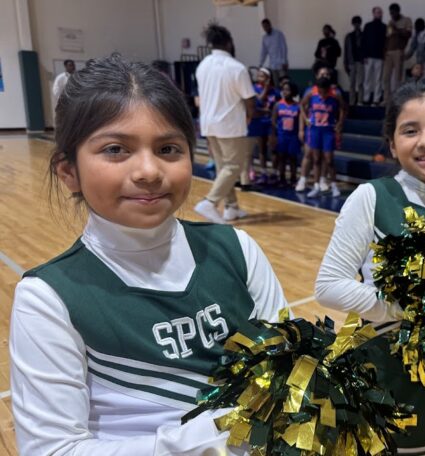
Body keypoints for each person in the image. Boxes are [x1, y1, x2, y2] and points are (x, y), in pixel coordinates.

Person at [10, 54, 288, 455]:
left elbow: (294, 374)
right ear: (68, 171)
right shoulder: (48, 297)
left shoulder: (238, 250)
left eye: (169, 148)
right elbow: (53, 450)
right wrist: (218, 435)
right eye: (116, 149)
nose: (148, 170)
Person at [315, 78, 425, 456]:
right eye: (410, 130)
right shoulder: (372, 197)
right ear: (392, 143)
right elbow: (328, 285)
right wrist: (409, 309)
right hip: (384, 375)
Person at [194, 23, 256, 224]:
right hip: (229, 124)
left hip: (208, 123)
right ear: (229, 43)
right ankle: (209, 202)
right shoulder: (236, 67)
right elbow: (249, 98)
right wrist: (250, 115)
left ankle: (231, 208)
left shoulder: (202, 65)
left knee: (224, 168)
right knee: (234, 166)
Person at [298, 63, 346, 198]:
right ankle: (316, 186)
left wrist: (340, 123)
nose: (321, 94)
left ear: (328, 89)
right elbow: (302, 104)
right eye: (319, 91)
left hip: (328, 131)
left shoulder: (335, 95)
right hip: (315, 130)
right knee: (316, 159)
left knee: (329, 160)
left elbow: (344, 108)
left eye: (323, 91)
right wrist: (306, 118)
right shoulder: (311, 94)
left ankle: (334, 185)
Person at [245, 67, 280, 187]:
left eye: (262, 75)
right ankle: (256, 171)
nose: (259, 78)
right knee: (255, 150)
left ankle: (270, 172)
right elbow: (258, 100)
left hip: (270, 123)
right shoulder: (254, 89)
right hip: (257, 122)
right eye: (258, 76)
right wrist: (265, 88)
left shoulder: (276, 92)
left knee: (269, 149)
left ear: (268, 78)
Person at [272, 81, 302, 186]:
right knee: (282, 158)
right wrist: (274, 136)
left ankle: (293, 178)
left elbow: (300, 122)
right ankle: (282, 178)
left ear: (293, 91)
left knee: (293, 158)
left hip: (293, 136)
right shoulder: (278, 105)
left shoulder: (298, 106)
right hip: (281, 135)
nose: (285, 92)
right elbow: (273, 121)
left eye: (288, 89)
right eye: (284, 89)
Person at [382, 3, 412, 104]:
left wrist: (397, 29)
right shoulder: (390, 22)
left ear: (398, 11)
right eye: (390, 13)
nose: (392, 15)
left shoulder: (406, 20)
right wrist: (384, 50)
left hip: (398, 51)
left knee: (397, 77)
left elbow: (408, 34)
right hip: (388, 52)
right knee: (386, 77)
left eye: (393, 13)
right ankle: (386, 99)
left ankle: (397, 100)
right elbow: (387, 37)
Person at [362, 6, 387, 105]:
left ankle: (376, 99)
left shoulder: (384, 27)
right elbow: (364, 41)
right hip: (368, 56)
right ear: (373, 13)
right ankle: (366, 98)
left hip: (379, 57)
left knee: (378, 79)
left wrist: (384, 55)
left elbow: (386, 42)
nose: (379, 14)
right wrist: (363, 56)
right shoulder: (367, 26)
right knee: (367, 78)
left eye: (380, 13)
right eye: (377, 12)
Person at [344, 16, 365, 105]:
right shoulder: (348, 36)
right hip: (351, 62)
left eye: (358, 23)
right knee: (351, 83)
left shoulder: (364, 35)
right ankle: (352, 102)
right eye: (355, 23)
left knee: (360, 82)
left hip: (361, 62)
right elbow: (346, 50)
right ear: (352, 24)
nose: (356, 25)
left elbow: (366, 48)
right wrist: (345, 63)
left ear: (360, 23)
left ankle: (360, 101)